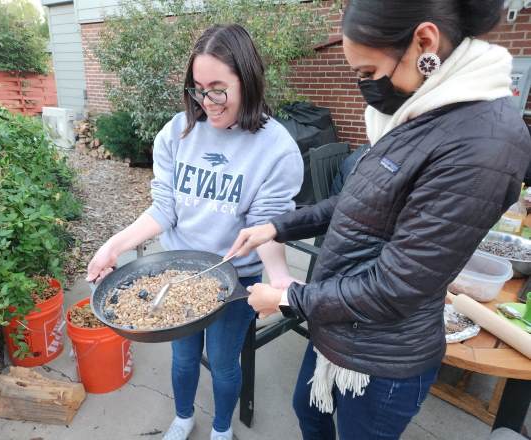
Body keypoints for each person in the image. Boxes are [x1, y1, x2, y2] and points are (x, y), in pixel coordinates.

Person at [226, 1, 531, 439]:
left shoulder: (481, 144)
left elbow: (396, 287)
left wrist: (290, 299)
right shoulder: (419, 111)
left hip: (383, 356)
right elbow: (359, 202)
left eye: (368, 72)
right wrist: (278, 227)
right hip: (338, 326)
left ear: (424, 42)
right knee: (309, 413)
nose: (364, 87)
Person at [86, 24, 303, 440]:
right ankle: (183, 419)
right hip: (176, 271)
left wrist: (278, 280)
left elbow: (267, 229)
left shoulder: (276, 149)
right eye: (198, 88)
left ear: (248, 79)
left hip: (234, 278)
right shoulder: (177, 132)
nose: (207, 102)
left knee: (223, 362)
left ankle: (221, 429)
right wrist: (113, 245)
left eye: (218, 89)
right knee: (183, 357)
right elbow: (164, 208)